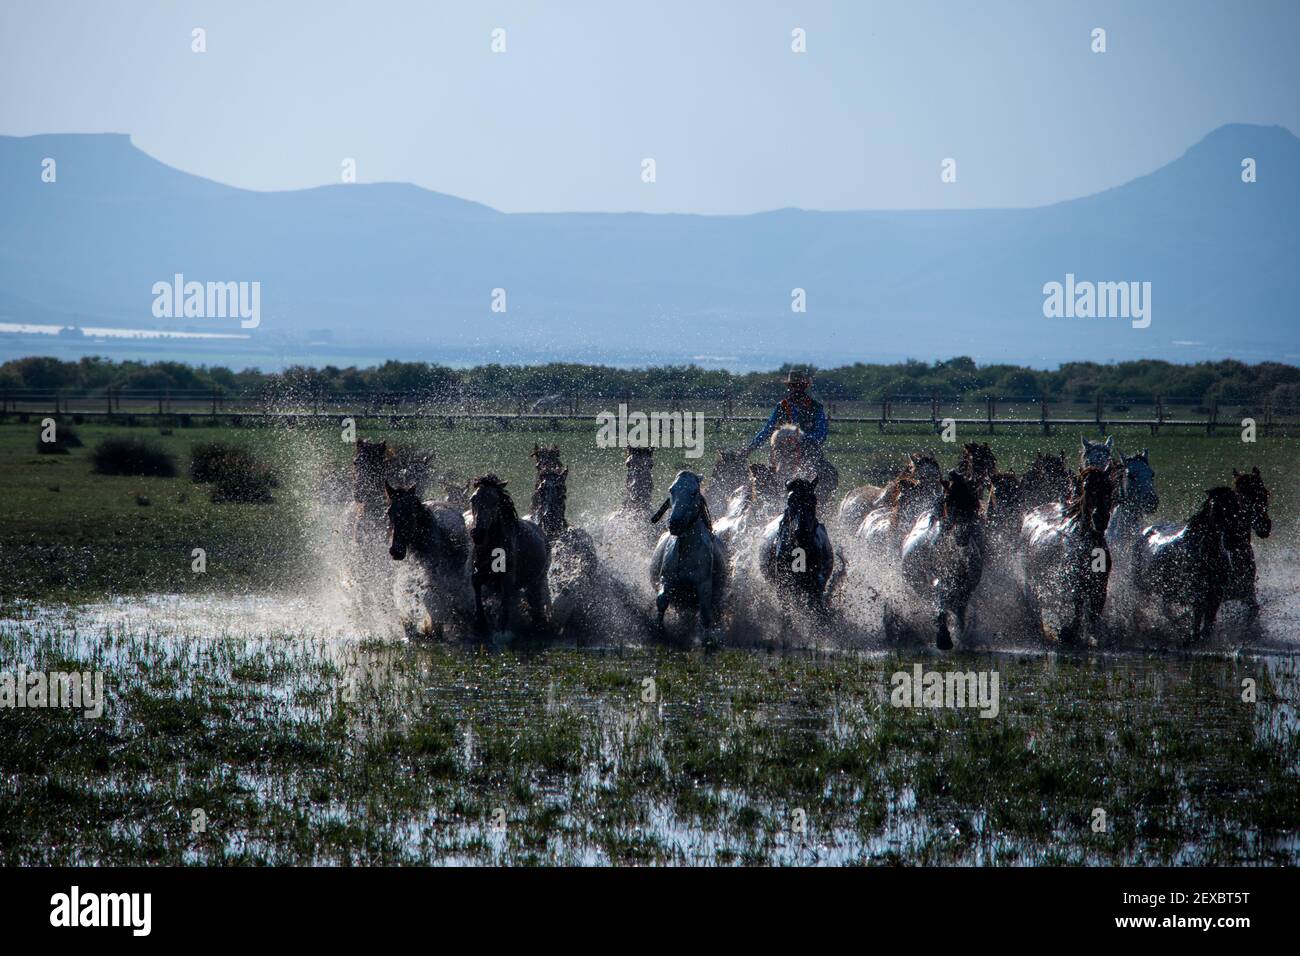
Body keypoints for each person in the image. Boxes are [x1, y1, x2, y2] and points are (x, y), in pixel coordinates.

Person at [743, 368, 828, 454]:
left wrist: (802, 439)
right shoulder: (781, 406)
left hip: (809, 452)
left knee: (824, 467)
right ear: (789, 387)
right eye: (794, 386)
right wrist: (750, 449)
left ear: (805, 387)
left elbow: (821, 433)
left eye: (800, 386)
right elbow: (767, 430)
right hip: (783, 452)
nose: (797, 389)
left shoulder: (816, 407)